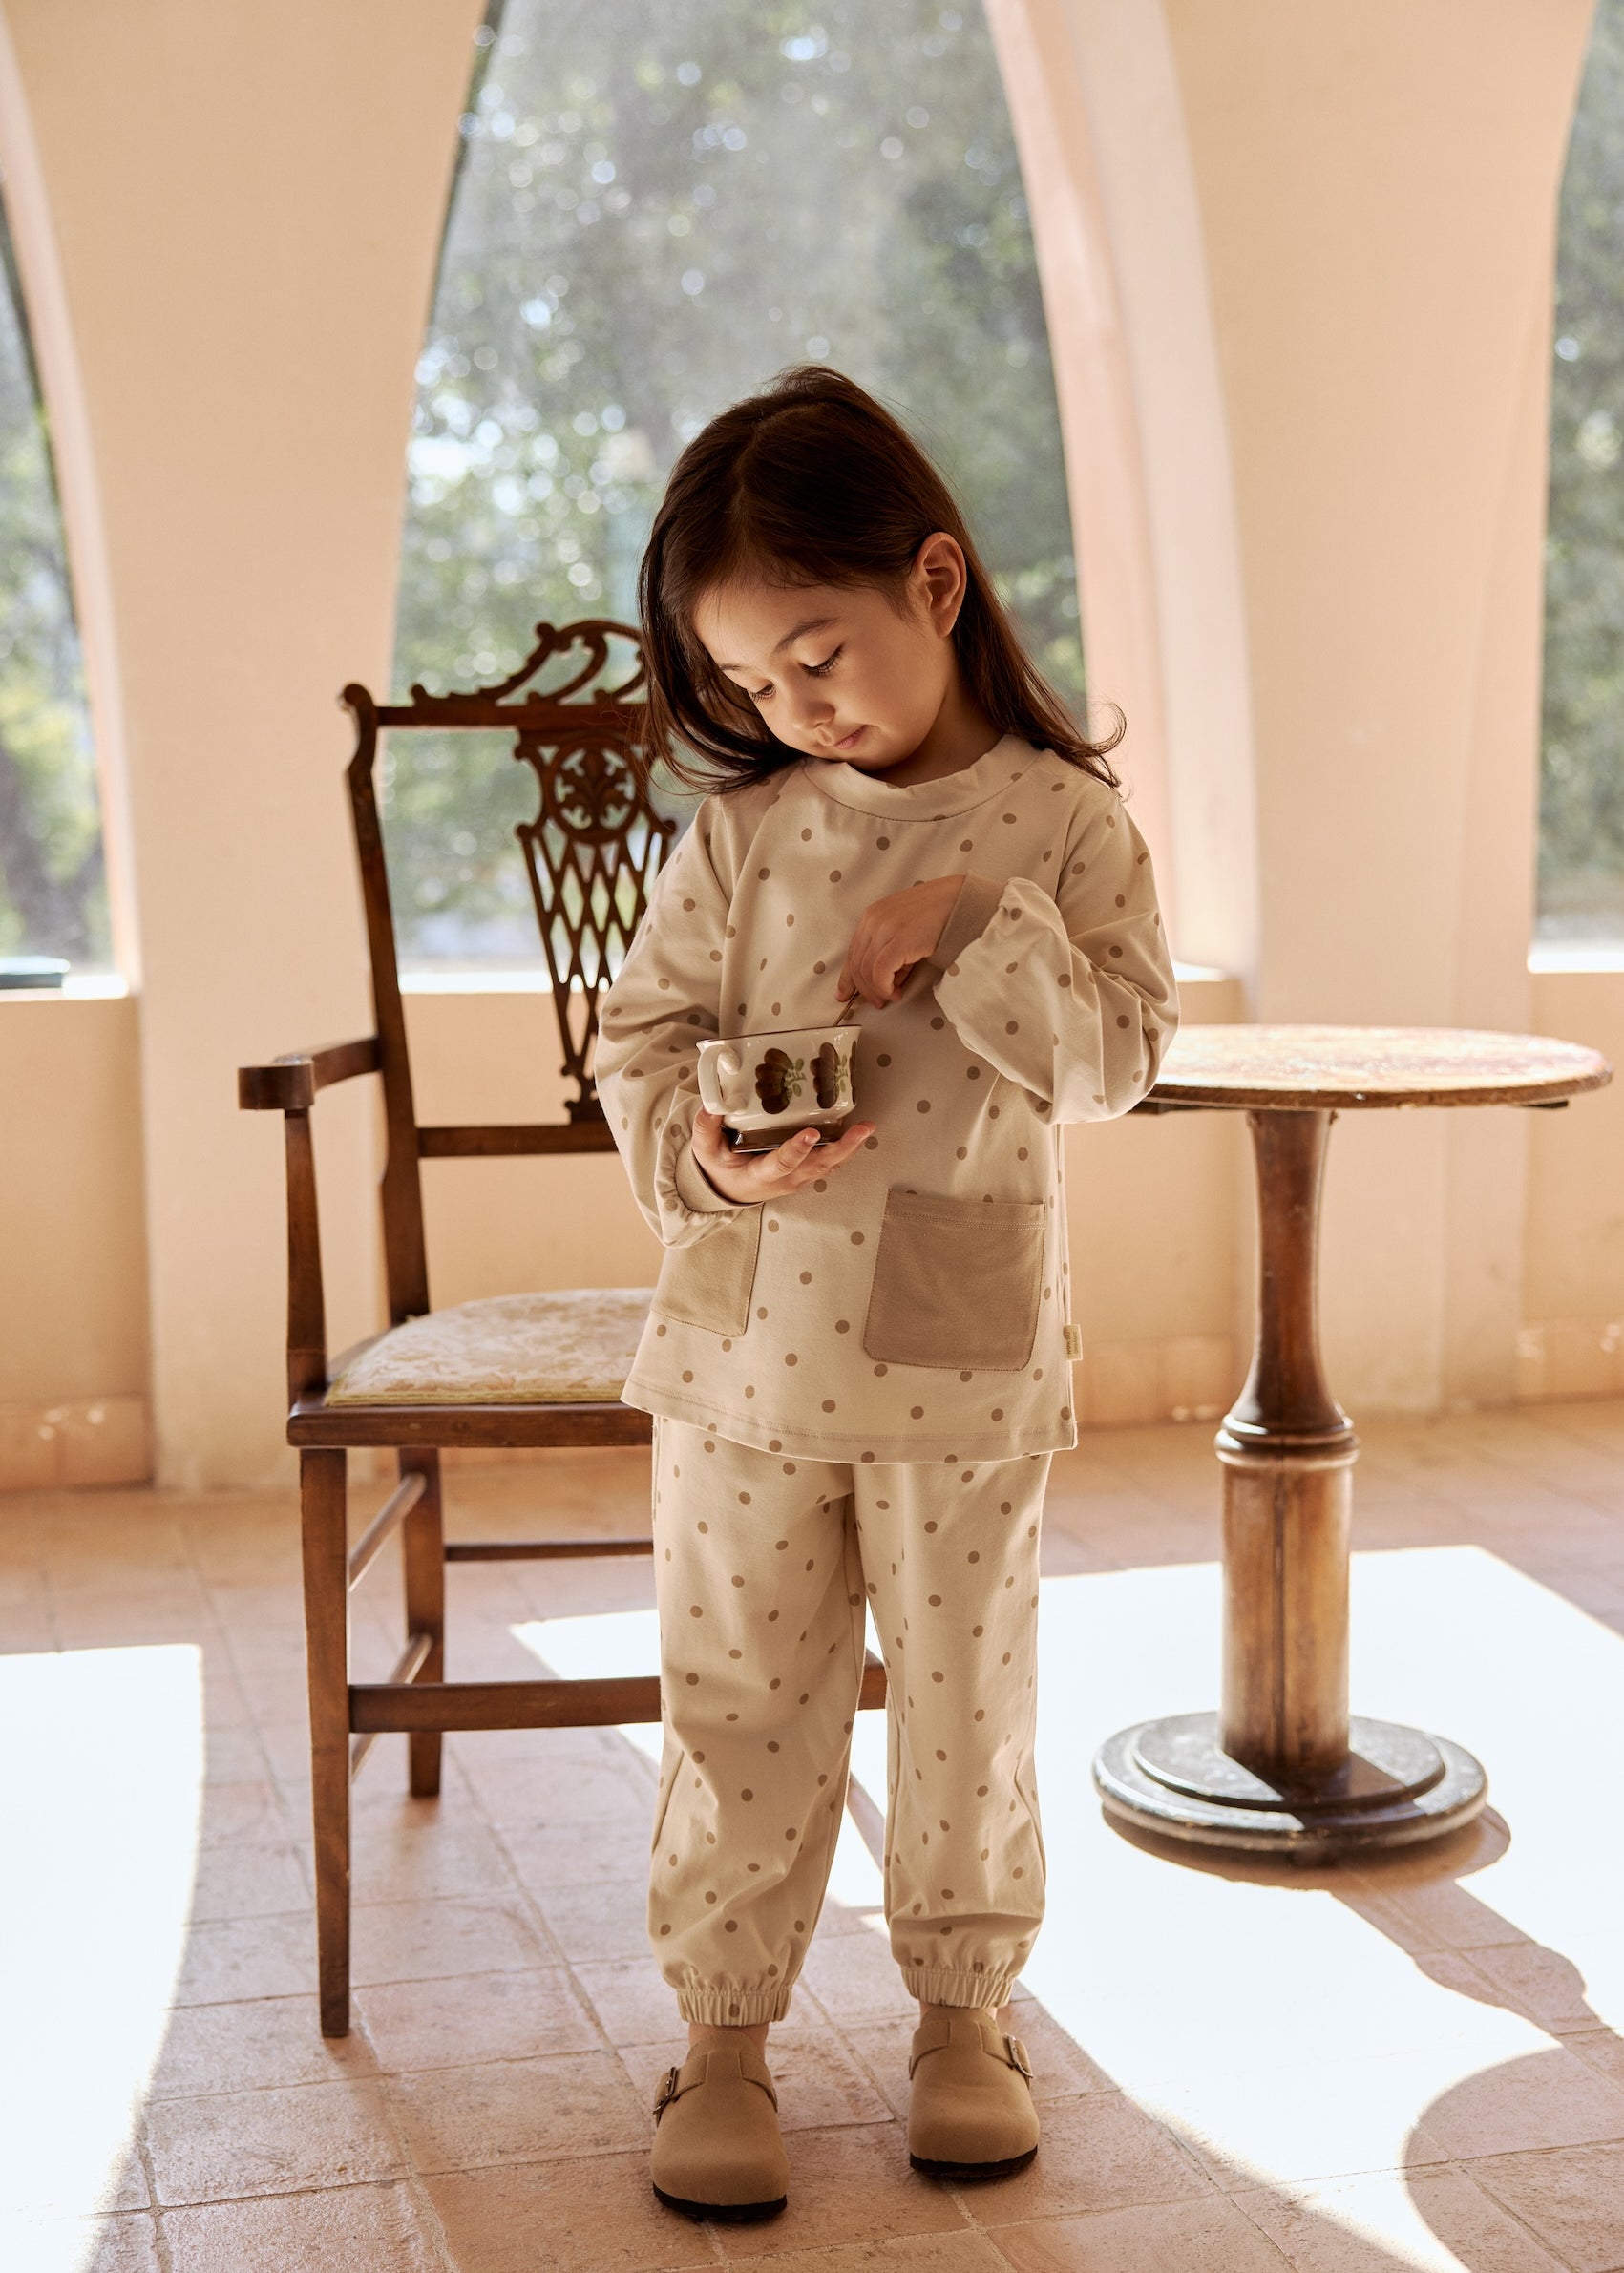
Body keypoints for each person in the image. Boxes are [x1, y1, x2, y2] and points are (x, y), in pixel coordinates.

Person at [596, 366, 1177, 2221]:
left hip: (957, 1354)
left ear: (935, 582)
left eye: (816, 655)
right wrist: (708, 1147)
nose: (792, 708)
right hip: (739, 1359)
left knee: (958, 1698)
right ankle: (723, 2044)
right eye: (750, 684)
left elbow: (1122, 1064)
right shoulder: (745, 834)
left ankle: (959, 2021)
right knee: (740, 1703)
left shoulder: (1064, 828)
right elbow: (641, 1042)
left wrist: (977, 928)